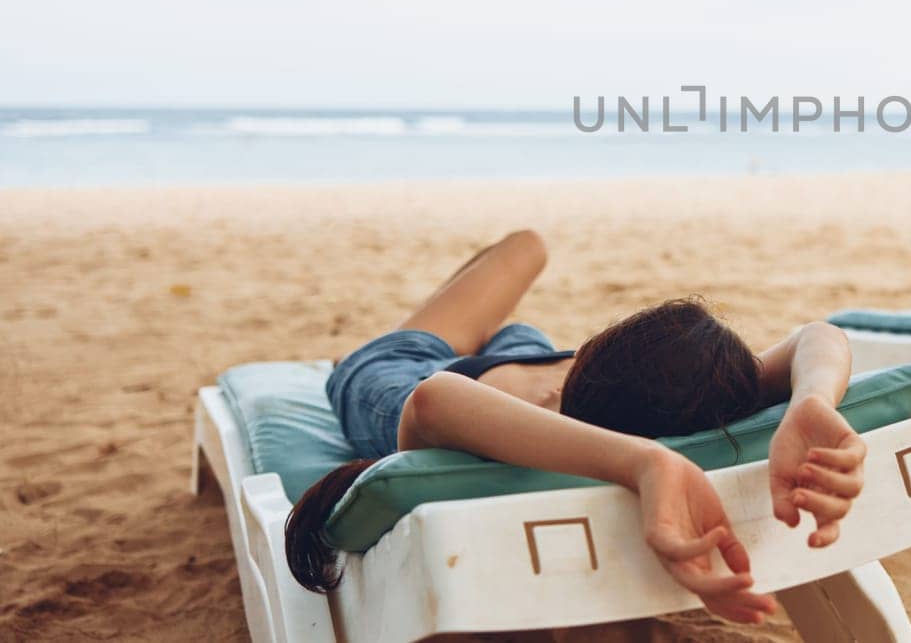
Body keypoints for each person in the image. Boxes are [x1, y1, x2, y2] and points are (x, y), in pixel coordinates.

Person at [284, 230, 867, 627]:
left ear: (591, 352)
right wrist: (811, 401)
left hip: (401, 373)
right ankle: (516, 340)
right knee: (524, 279)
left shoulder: (472, 418)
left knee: (526, 246)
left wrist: (646, 463)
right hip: (535, 353)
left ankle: (493, 337)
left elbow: (433, 398)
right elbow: (815, 335)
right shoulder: (709, 402)